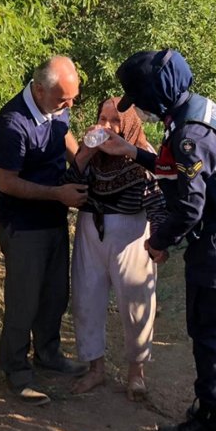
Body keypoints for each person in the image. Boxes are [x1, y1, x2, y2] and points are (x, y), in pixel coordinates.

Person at [101, 49, 216, 431]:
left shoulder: (189, 133)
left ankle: (209, 426)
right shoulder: (196, 109)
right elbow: (181, 171)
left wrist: (157, 242)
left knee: (210, 331)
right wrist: (135, 152)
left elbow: (190, 205)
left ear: (157, 94)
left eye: (138, 98)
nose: (138, 108)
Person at [0, 56, 89, 406]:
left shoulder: (56, 105)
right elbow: (8, 183)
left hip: (53, 218)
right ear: (40, 89)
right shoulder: (12, 124)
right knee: (23, 300)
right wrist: (57, 194)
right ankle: (17, 371)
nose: (69, 105)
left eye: (72, 98)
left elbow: (64, 135)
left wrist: (84, 158)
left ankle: (48, 354)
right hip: (24, 225)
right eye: (64, 99)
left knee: (54, 293)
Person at [68, 97, 166, 400]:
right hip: (91, 229)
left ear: (129, 124)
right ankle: (95, 368)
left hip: (131, 234)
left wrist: (159, 242)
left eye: (115, 121)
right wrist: (84, 154)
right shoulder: (92, 156)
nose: (107, 127)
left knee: (136, 304)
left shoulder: (143, 155)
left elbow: (158, 201)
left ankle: (136, 372)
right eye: (103, 119)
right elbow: (70, 185)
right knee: (86, 299)